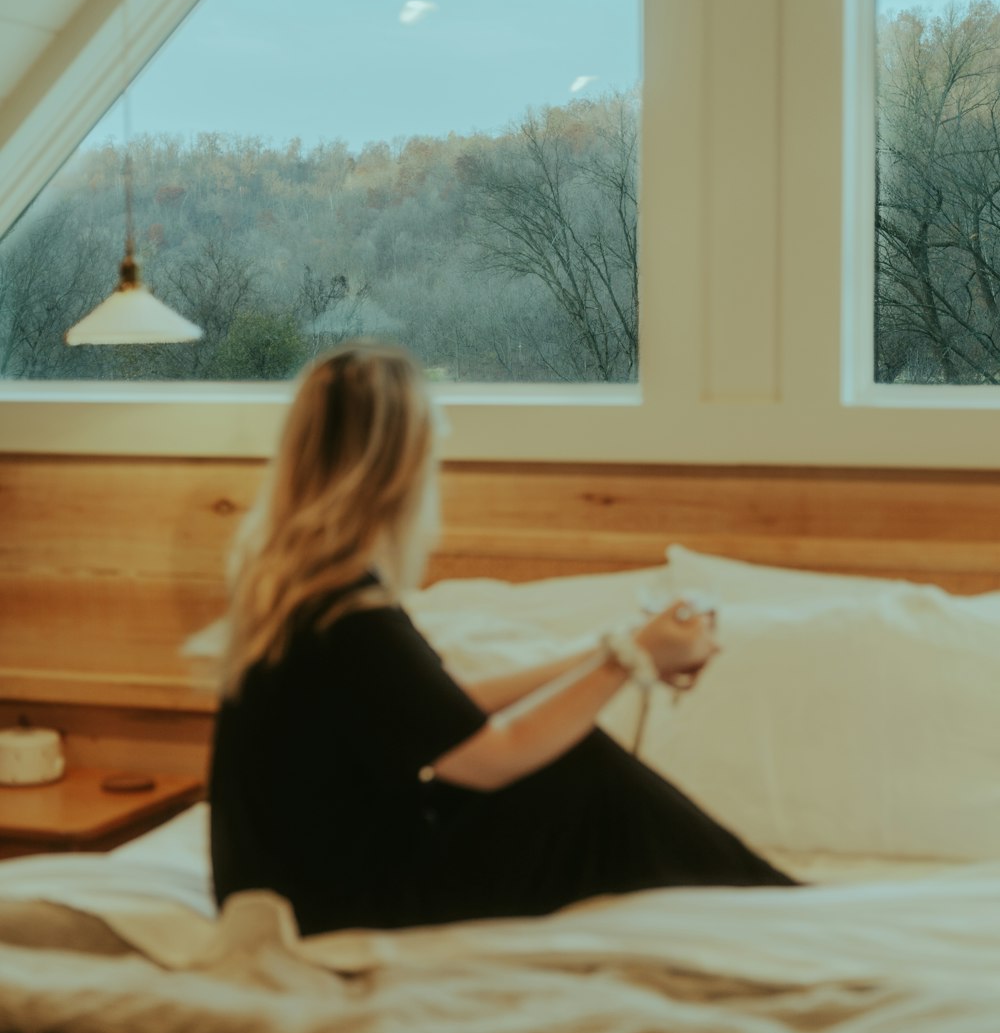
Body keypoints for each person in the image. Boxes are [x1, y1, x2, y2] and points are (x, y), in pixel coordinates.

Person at [210, 343, 796, 938]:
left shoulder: (302, 589)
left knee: (574, 761)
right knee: (584, 773)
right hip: (332, 906)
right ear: (400, 472)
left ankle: (765, 895)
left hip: (290, 882)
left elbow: (448, 703)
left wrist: (614, 648)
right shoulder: (350, 613)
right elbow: (492, 758)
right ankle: (777, 905)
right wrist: (633, 660)